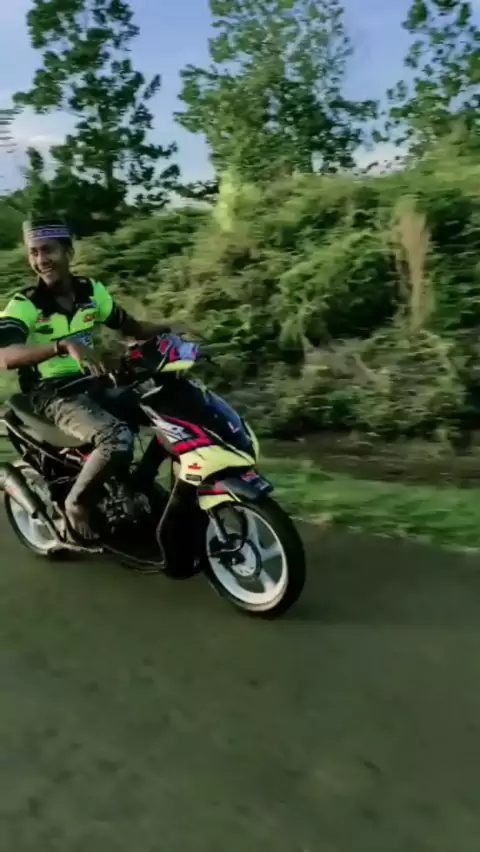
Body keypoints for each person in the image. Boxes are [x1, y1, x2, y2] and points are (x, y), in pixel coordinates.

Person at [0, 217, 185, 542]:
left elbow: (134, 329)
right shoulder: (26, 304)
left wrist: (173, 329)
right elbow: (5, 355)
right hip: (50, 394)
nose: (41, 260)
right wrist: (62, 345)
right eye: (34, 252)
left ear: (69, 251)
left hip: (94, 382)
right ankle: (76, 503)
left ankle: (139, 488)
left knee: (171, 415)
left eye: (48, 250)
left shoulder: (91, 292)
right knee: (116, 438)